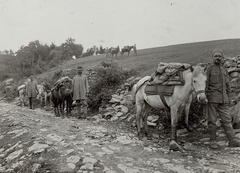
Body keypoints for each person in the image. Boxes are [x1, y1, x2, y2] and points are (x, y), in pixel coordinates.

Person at [206, 48, 240, 149]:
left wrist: (229, 97)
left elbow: (228, 85)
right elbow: (205, 84)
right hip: (212, 99)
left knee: (227, 119)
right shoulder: (209, 69)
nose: (218, 58)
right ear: (212, 58)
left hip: (224, 100)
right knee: (212, 120)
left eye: (219, 56)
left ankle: (232, 140)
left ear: (222, 58)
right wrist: (205, 97)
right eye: (216, 56)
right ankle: (213, 141)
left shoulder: (224, 69)